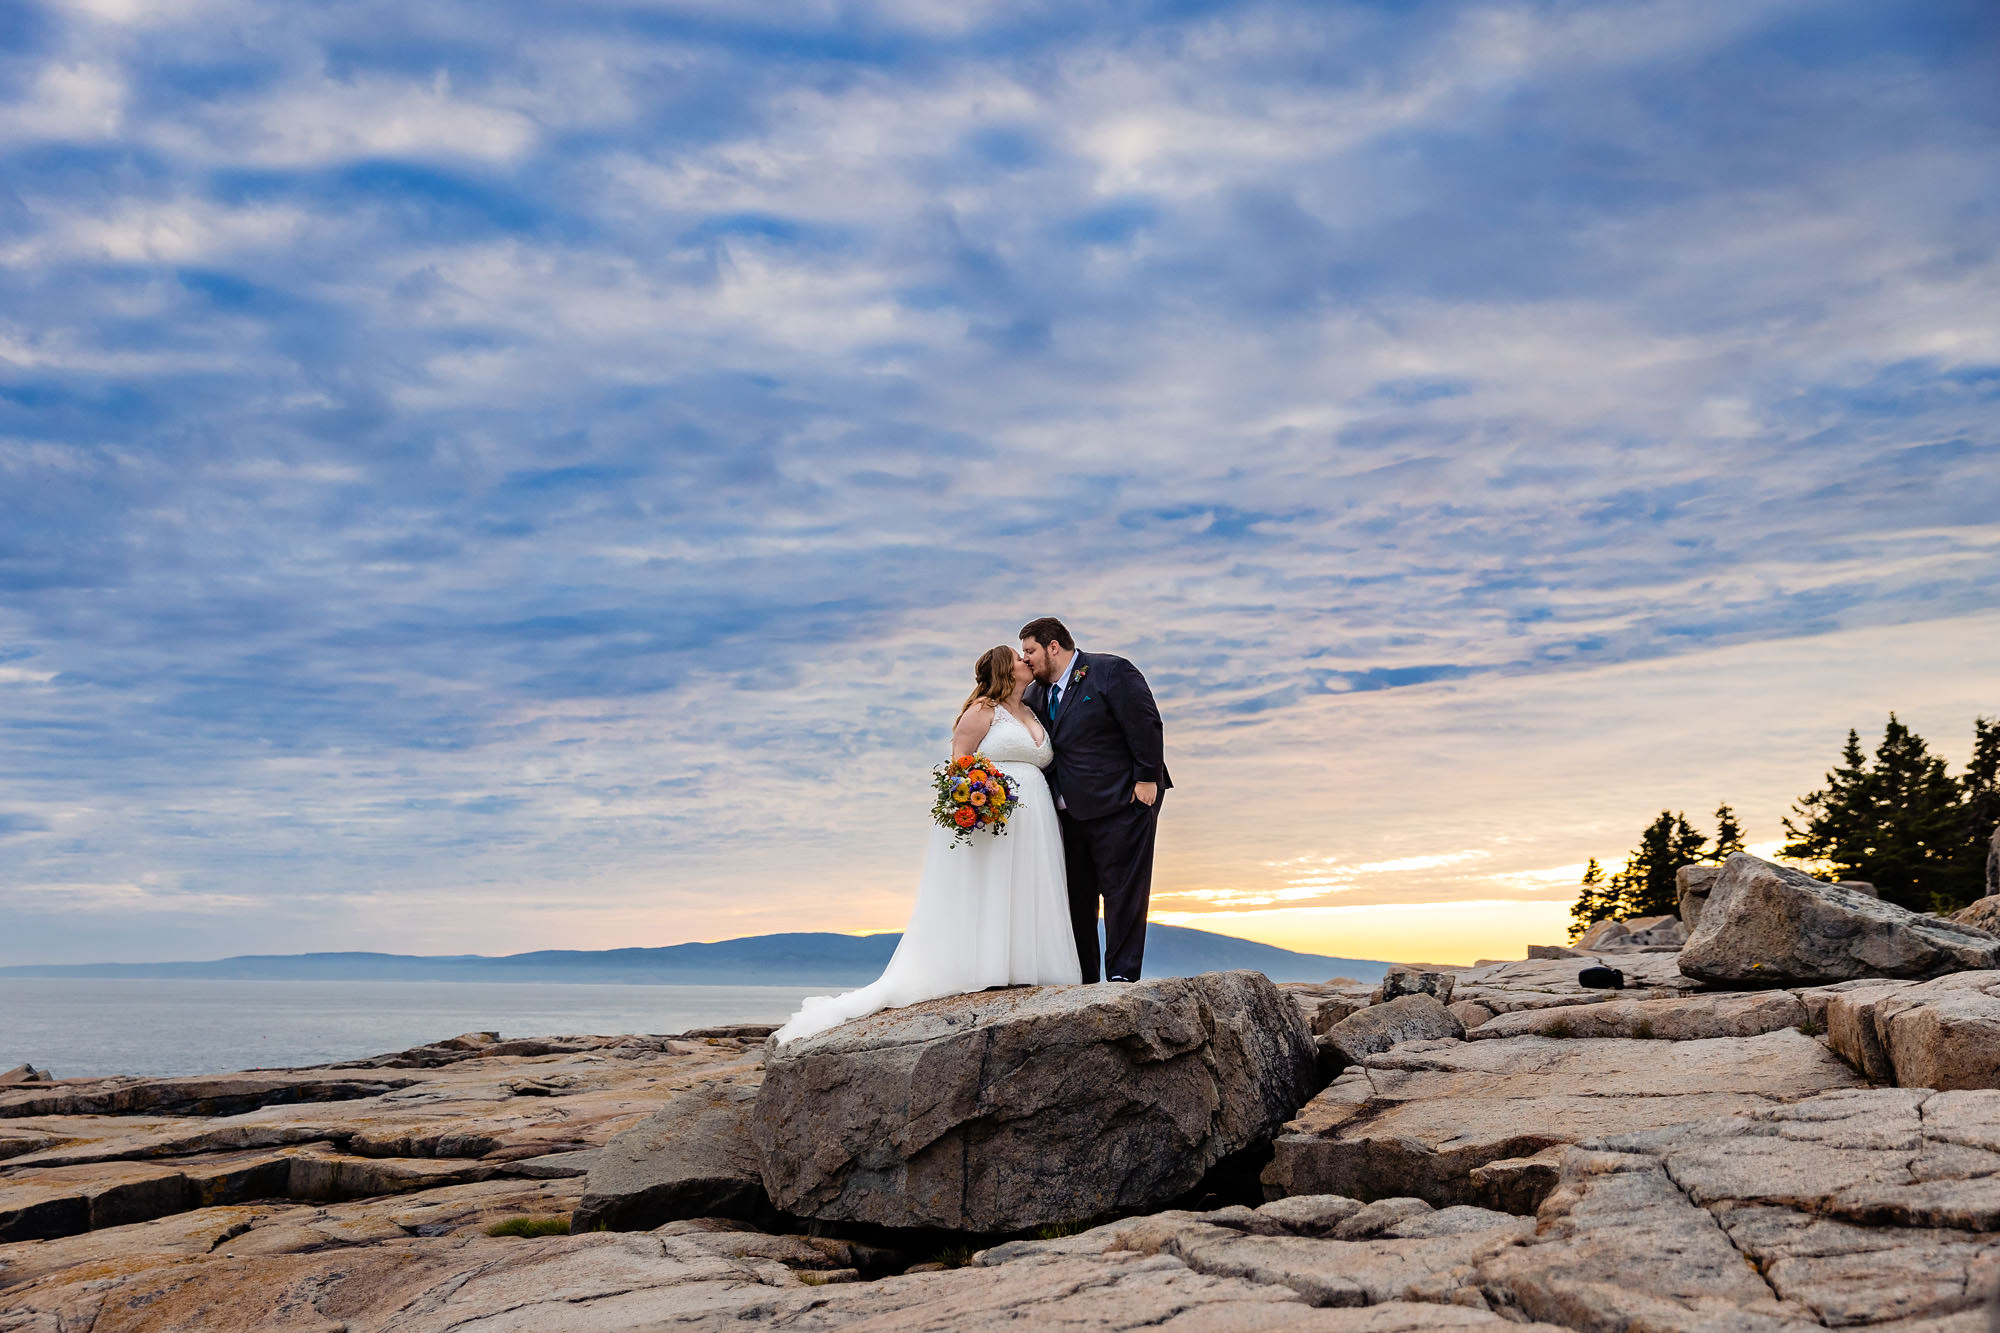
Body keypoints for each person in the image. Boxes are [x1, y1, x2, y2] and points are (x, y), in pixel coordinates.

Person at [772, 645, 1080, 1044]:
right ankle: (987, 968)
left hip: (1036, 816)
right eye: (1019, 658)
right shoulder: (982, 711)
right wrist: (979, 799)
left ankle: (1028, 968)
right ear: (1006, 669)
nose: (1027, 661)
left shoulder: (1031, 709)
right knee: (992, 886)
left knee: (1027, 887)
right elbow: (959, 763)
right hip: (997, 816)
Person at [1019, 616, 1171, 983]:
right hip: (1068, 813)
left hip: (1122, 802)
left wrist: (1147, 778)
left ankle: (1121, 976)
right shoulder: (1035, 694)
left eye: (1030, 651)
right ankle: (1083, 979)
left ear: (1053, 646)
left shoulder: (1110, 670)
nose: (1026, 660)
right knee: (1076, 898)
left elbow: (1145, 722)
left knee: (1123, 892)